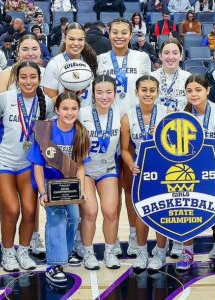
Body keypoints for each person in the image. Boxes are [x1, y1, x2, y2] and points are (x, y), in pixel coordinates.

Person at [96, 18, 152, 257]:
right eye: (115, 32)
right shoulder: (99, 60)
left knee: (130, 187)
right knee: (112, 185)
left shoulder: (142, 58)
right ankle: (113, 238)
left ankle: (132, 233)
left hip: (132, 126)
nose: (119, 36)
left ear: (131, 34)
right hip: (107, 126)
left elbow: (148, 89)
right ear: (109, 34)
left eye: (124, 32)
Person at [0, 61, 55, 272]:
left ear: (39, 79)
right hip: (3, 161)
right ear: (16, 79)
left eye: (33, 77)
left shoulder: (46, 101)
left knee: (29, 211)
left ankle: (23, 250)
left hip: (28, 164)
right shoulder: (4, 99)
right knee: (12, 208)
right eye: (24, 77)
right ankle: (7, 252)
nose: (28, 81)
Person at [30, 91, 89, 284]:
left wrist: (80, 189)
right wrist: (42, 192)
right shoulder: (45, 130)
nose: (69, 112)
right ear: (56, 110)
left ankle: (65, 251)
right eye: (65, 108)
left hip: (69, 183)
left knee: (74, 218)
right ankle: (53, 264)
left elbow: (80, 165)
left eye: (73, 108)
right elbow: (37, 165)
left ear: (79, 110)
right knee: (56, 219)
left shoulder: (81, 132)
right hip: (48, 182)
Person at [178, 73, 215, 271]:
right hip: (187, 170)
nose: (194, 94)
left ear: (208, 91)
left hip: (214, 168)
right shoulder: (181, 115)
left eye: (198, 90)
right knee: (187, 210)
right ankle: (187, 251)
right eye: (189, 91)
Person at [120, 75, 172, 270]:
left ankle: (160, 252)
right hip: (141, 169)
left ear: (158, 93)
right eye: (144, 90)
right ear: (137, 92)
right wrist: (131, 164)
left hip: (163, 169)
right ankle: (142, 252)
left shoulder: (167, 114)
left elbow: (176, 146)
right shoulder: (127, 117)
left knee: (161, 213)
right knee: (142, 213)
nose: (148, 93)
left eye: (152, 90)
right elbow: (124, 149)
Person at [76, 76, 122, 270]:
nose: (104, 96)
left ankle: (110, 251)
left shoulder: (120, 114)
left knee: (111, 212)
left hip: (108, 169)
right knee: (90, 212)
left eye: (109, 92)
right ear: (93, 93)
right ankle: (87, 252)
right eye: (100, 92)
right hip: (85, 170)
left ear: (115, 93)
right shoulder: (82, 113)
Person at [42, 22, 99, 106]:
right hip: (66, 116)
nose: (76, 43)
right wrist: (68, 95)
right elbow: (49, 102)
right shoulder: (54, 64)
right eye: (71, 39)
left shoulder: (91, 60)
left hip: (87, 116)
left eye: (80, 39)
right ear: (65, 38)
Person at [151, 38, 191, 111]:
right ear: (160, 56)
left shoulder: (188, 78)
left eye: (175, 53)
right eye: (166, 53)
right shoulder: (151, 78)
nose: (170, 57)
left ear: (181, 56)